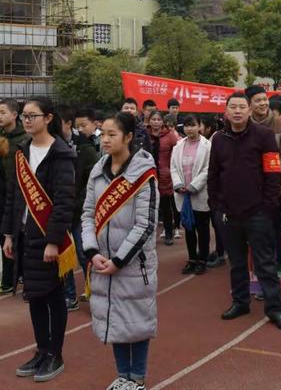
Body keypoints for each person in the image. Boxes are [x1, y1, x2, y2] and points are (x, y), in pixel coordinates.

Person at [82, 112, 158, 390]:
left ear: (128, 137)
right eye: (103, 134)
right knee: (112, 318)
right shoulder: (97, 170)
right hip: (102, 261)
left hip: (133, 265)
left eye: (112, 134)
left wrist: (118, 260)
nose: (105, 140)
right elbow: (88, 214)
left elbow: (146, 224)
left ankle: (137, 378)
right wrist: (92, 251)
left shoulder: (143, 174)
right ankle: (122, 375)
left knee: (135, 322)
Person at [2, 96, 76, 382]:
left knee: (53, 295)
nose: (27, 120)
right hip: (23, 236)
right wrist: (9, 233)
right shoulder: (21, 151)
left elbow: (64, 201)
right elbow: (13, 195)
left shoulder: (61, 154)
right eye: (25, 116)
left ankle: (55, 352)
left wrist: (54, 240)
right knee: (33, 295)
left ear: (48, 118)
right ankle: (41, 350)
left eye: (33, 115)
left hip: (47, 239)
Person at [207, 92, 281, 331]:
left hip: (258, 212)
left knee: (265, 262)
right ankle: (240, 302)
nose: (237, 111)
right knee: (236, 263)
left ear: (249, 111)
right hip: (227, 213)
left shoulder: (264, 135)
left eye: (241, 107)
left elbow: (273, 173)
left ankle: (274, 308)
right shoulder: (219, 139)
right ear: (225, 111)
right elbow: (213, 174)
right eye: (232, 107)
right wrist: (216, 206)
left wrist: (267, 206)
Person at [57, 104, 99, 310]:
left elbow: (91, 184)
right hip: (60, 211)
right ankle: (69, 295)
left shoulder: (86, 148)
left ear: (67, 124)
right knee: (63, 253)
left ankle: (94, 292)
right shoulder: (51, 146)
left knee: (84, 253)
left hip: (80, 211)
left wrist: (77, 204)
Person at [171, 114, 212, 275]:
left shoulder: (207, 146)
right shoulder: (179, 145)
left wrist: (194, 186)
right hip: (183, 194)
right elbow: (173, 166)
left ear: (199, 126)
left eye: (193, 125)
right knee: (188, 228)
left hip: (199, 193)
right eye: (187, 126)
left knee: (202, 229)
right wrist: (178, 184)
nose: (189, 129)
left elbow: (208, 169)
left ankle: (202, 259)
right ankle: (192, 258)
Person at [0, 98, 27, 294]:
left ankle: (17, 276)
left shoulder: (24, 139)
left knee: (16, 238)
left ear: (14, 115)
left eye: (2, 112)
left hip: (18, 195)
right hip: (2, 194)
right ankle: (8, 279)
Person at [245, 85, 281, 189]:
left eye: (265, 99)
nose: (263, 103)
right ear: (249, 104)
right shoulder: (244, 125)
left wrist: (277, 187)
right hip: (249, 185)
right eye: (258, 101)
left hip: (275, 186)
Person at [200, 115, 226, 268]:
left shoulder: (215, 140)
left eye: (200, 125)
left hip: (218, 190)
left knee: (218, 223)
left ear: (208, 128)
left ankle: (221, 253)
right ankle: (219, 251)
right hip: (211, 189)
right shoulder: (211, 140)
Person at [157, 112, 180, 245]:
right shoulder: (148, 136)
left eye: (158, 119)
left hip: (168, 175)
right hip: (153, 175)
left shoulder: (171, 136)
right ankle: (167, 231)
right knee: (161, 206)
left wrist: (172, 169)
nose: (156, 122)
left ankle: (174, 229)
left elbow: (178, 153)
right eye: (153, 119)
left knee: (171, 204)